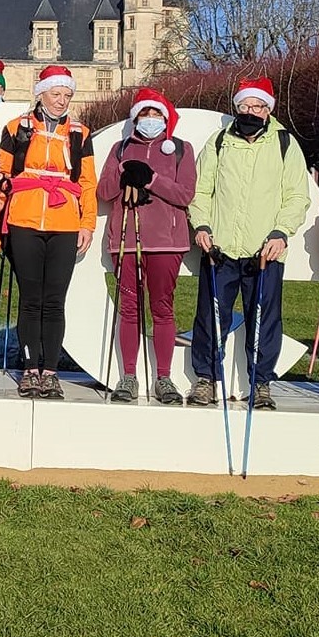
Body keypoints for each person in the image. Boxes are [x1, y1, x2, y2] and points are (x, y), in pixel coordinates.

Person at [187, 77, 310, 411]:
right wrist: (201, 225)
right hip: (220, 249)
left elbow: (297, 195)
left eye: (258, 107)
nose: (251, 112)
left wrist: (281, 232)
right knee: (211, 317)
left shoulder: (285, 144)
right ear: (236, 107)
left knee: (265, 319)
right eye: (245, 106)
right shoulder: (218, 142)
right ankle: (205, 379)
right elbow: (200, 191)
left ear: (268, 109)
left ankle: (262, 382)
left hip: (264, 253)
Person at [0, 66, 98, 399]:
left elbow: (87, 183)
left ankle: (49, 371)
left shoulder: (80, 132)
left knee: (54, 300)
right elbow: (3, 174)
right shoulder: (17, 128)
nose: (61, 101)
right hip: (24, 219)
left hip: (64, 222)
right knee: (30, 299)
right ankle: (29, 369)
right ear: (41, 93)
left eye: (67, 95)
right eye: (56, 94)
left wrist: (87, 222)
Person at [97, 87, 197, 406]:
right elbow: (104, 191)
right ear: (135, 117)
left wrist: (151, 179)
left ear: (165, 119)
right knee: (129, 308)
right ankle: (128, 376)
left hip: (166, 243)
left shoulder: (181, 149)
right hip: (126, 239)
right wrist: (125, 178)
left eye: (156, 114)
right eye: (144, 114)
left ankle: (163, 378)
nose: (150, 119)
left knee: (162, 308)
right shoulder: (120, 147)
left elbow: (185, 195)